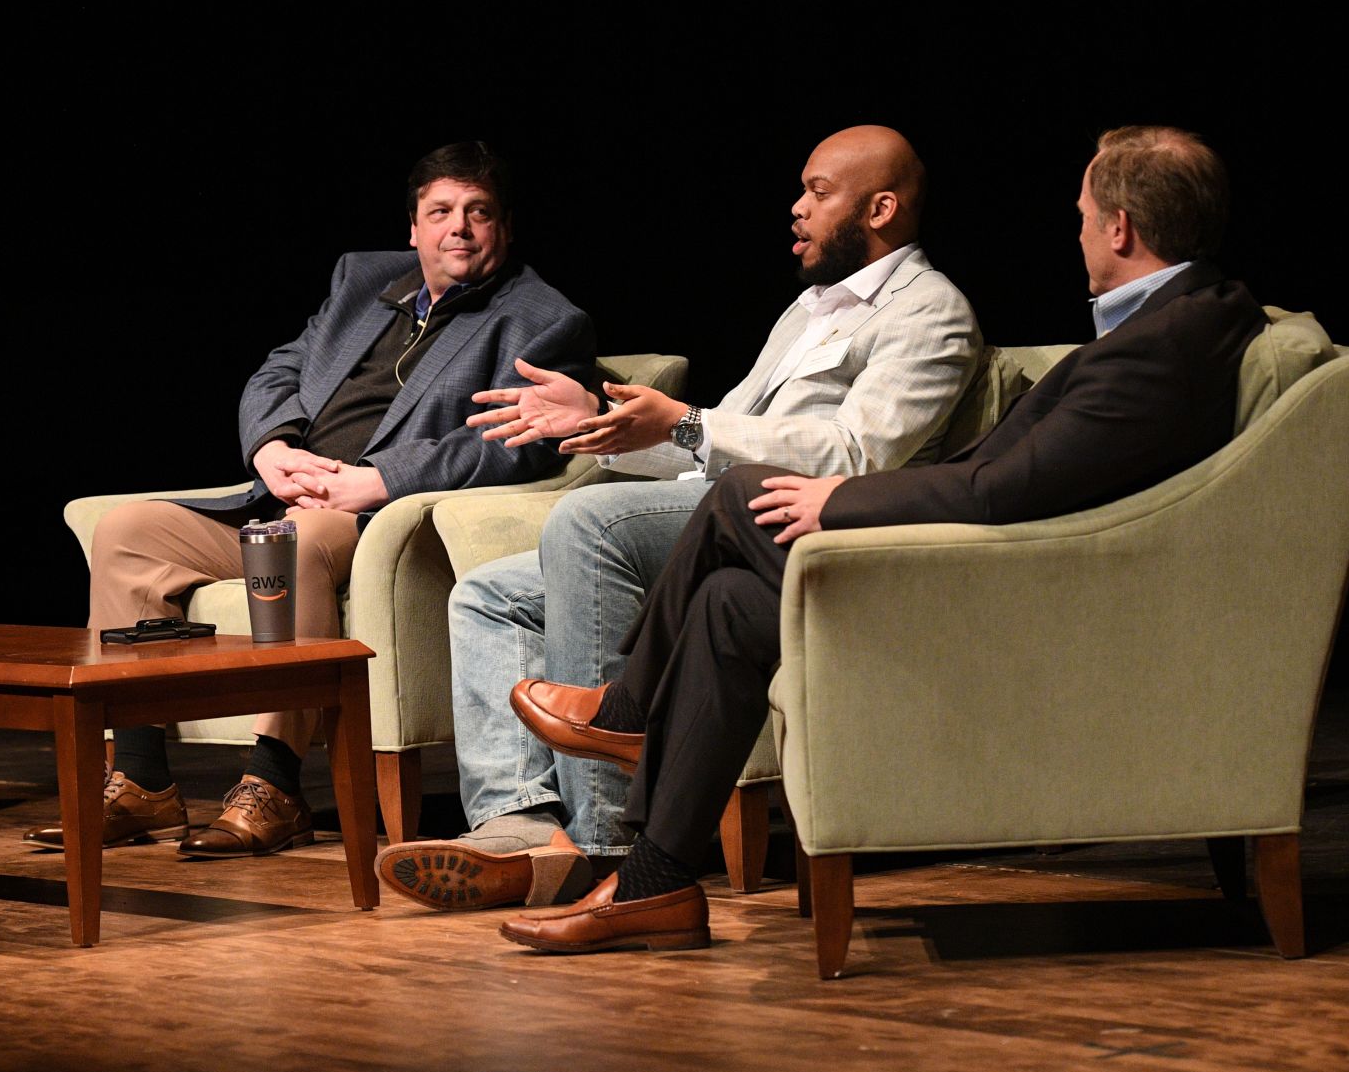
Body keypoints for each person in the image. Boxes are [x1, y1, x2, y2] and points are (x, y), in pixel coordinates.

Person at [504, 125, 1265, 952]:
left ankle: (628, 710)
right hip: (994, 560)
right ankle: (657, 883)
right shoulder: (1184, 320)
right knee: (726, 604)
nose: (1075, 229)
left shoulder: (1162, 344)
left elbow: (999, 489)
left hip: (1006, 588)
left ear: (1119, 228)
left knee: (736, 496)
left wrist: (841, 501)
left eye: (1083, 215)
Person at [375, 126, 981, 911]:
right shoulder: (809, 311)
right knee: (490, 595)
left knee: (589, 524)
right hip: (721, 507)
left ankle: (606, 842)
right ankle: (518, 826)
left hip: (800, 525)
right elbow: (707, 446)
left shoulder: (929, 313)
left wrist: (690, 421)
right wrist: (598, 422)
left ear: (882, 208)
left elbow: (859, 453)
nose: (797, 208)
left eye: (819, 192)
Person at [23, 141, 596, 858]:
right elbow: (280, 370)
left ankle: (275, 786)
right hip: (285, 494)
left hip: (377, 520)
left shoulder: (541, 318)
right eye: (441, 211)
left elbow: (517, 442)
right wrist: (273, 447)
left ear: (504, 227)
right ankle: (142, 782)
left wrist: (380, 480)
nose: (459, 227)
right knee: (127, 531)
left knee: (292, 544)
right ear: (413, 227)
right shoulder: (364, 282)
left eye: (478, 212)